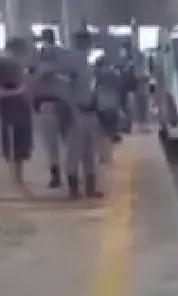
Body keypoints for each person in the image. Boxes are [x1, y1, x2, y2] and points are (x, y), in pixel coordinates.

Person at [65, 29, 101, 198]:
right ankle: (73, 190)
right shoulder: (72, 63)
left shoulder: (88, 63)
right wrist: (73, 110)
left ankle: (90, 188)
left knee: (89, 152)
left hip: (90, 112)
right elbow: (66, 90)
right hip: (77, 112)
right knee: (75, 151)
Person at [33, 28, 67, 188]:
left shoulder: (43, 64)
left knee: (52, 144)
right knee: (61, 143)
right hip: (61, 104)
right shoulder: (62, 60)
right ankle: (65, 174)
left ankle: (57, 176)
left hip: (50, 104)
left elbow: (37, 82)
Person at [0, 37, 33, 188]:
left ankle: (17, 177)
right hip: (9, 109)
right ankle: (14, 178)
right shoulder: (4, 64)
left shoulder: (20, 66)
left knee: (21, 145)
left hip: (21, 109)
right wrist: (18, 91)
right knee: (12, 144)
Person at [93, 55, 120, 163]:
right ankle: (109, 155)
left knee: (101, 132)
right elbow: (118, 88)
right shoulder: (114, 74)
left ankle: (103, 155)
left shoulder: (96, 74)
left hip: (101, 106)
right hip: (112, 105)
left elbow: (93, 92)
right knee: (111, 131)